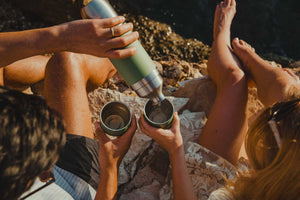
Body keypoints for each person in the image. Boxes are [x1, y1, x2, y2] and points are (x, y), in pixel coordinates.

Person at [140, 0, 300, 199]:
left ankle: (226, 43)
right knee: (286, 88)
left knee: (235, 79)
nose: (260, 113)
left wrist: (176, 151)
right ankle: (251, 60)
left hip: (214, 188)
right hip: (279, 172)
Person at [0, 16, 139, 200]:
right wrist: (110, 166)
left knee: (61, 62)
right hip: (74, 184)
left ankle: (43, 71)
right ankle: (104, 60)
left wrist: (64, 36)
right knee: (68, 61)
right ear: (44, 174)